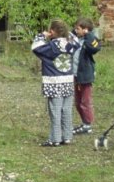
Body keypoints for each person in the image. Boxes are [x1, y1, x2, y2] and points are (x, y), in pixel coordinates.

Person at [31, 19, 79, 147]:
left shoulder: (52, 46)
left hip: (54, 82)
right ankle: (67, 136)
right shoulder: (71, 43)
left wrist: (42, 35)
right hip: (68, 81)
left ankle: (55, 138)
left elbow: (35, 47)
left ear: (52, 31)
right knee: (67, 110)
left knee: (55, 111)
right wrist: (67, 32)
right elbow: (76, 39)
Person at [72, 17, 102, 135]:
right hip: (76, 75)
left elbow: (95, 48)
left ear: (85, 30)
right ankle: (84, 122)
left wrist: (88, 35)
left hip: (85, 75)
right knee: (78, 102)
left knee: (85, 101)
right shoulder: (77, 40)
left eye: (78, 28)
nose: (75, 30)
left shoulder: (89, 40)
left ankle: (88, 125)